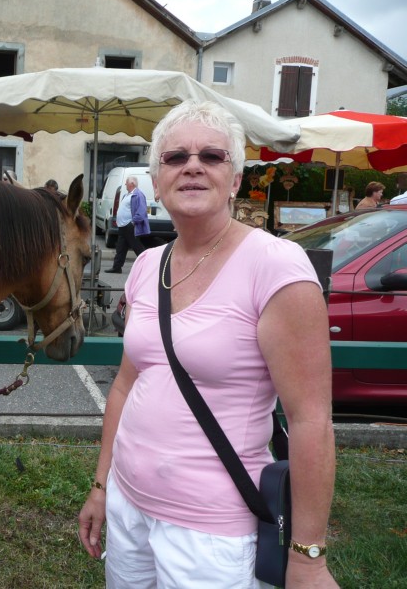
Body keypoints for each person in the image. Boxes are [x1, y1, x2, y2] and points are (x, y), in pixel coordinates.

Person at [78, 100, 338, 588]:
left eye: (212, 156)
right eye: (175, 157)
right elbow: (125, 385)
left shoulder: (277, 267)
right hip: (128, 505)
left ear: (235, 178)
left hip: (213, 533)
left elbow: (311, 422)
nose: (192, 165)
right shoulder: (146, 265)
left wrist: (308, 558)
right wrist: (101, 485)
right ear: (156, 181)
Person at [105, 176, 146, 273]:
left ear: (132, 184)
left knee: (137, 247)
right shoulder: (127, 195)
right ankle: (117, 267)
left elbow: (142, 211)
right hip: (123, 226)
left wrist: (133, 222)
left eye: (126, 183)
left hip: (129, 226)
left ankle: (148, 265)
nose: (125, 185)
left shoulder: (138, 194)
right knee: (121, 248)